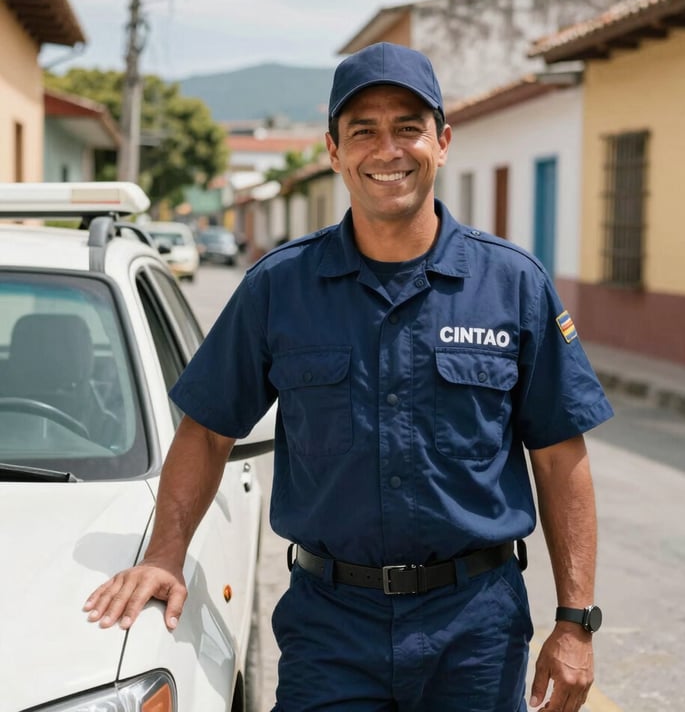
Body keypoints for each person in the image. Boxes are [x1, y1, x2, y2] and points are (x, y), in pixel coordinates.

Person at [84, 41, 613, 712]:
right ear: (334, 153)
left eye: (408, 128)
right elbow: (208, 429)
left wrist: (576, 621)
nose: (387, 150)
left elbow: (561, 454)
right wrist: (163, 554)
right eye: (363, 130)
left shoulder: (512, 285)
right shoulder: (280, 287)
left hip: (475, 628)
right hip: (330, 627)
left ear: (442, 142)